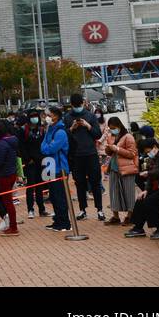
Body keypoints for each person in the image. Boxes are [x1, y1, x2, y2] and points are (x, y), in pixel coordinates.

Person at [125, 130, 159, 240]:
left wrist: (148, 173)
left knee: (149, 202)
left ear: (154, 147)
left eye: (147, 150)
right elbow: (150, 178)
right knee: (141, 199)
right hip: (156, 188)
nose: (147, 153)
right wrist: (146, 190)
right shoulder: (152, 159)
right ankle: (138, 227)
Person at [66, 93, 105, 222]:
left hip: (91, 153)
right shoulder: (67, 117)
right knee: (79, 183)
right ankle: (82, 209)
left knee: (96, 182)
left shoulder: (90, 116)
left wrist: (88, 125)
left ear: (83, 103)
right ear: (71, 105)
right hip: (76, 155)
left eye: (79, 105)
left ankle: (100, 209)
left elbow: (97, 134)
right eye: (75, 105)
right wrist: (72, 128)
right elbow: (64, 137)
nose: (78, 107)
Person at [40, 104, 72, 232]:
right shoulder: (49, 130)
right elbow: (43, 147)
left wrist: (46, 147)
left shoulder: (60, 132)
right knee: (53, 196)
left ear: (56, 116)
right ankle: (57, 220)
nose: (47, 117)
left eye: (49, 115)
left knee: (60, 196)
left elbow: (50, 148)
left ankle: (64, 222)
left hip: (59, 168)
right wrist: (46, 146)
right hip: (50, 166)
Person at [103, 116, 139, 226]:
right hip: (114, 168)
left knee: (129, 193)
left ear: (119, 126)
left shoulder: (128, 137)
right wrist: (109, 148)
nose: (112, 130)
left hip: (126, 169)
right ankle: (115, 216)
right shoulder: (113, 136)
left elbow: (132, 154)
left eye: (113, 127)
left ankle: (130, 216)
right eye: (110, 128)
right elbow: (110, 152)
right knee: (114, 193)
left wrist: (117, 149)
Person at [0, 118, 20, 235]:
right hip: (11, 173)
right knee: (8, 201)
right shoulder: (12, 140)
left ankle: (13, 227)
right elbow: (4, 156)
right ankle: (12, 225)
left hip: (4, 175)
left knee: (8, 202)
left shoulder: (1, 143)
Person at [18, 111, 48, 220]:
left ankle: (42, 209)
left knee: (40, 185)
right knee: (31, 186)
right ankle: (30, 209)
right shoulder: (23, 130)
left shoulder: (41, 129)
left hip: (40, 160)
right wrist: (27, 159)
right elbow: (21, 146)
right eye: (32, 117)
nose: (34, 118)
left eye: (36, 116)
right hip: (30, 162)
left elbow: (44, 143)